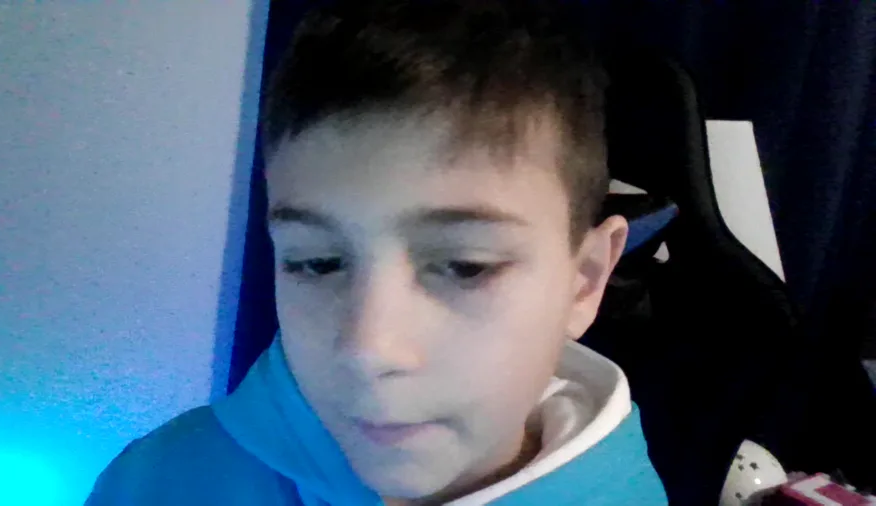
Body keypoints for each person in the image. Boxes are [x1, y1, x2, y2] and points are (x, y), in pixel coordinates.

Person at [85, 0, 668, 504]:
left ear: (585, 280)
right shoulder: (155, 481)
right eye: (316, 262)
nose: (368, 350)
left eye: (465, 267)